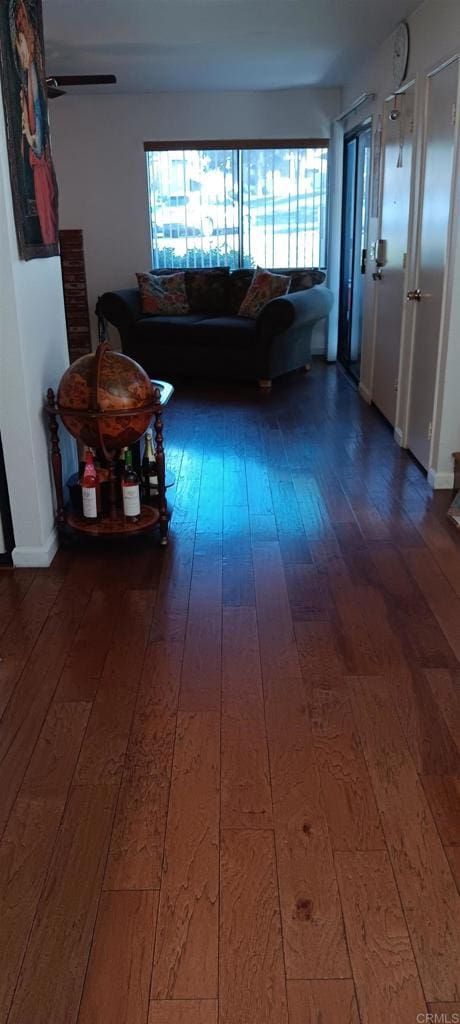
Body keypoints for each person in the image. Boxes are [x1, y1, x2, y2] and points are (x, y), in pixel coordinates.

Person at [10, 0, 58, 246]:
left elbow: (37, 138)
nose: (19, 51)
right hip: (35, 164)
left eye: (21, 44)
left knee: (45, 217)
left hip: (37, 164)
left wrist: (28, 135)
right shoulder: (29, 79)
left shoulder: (33, 82)